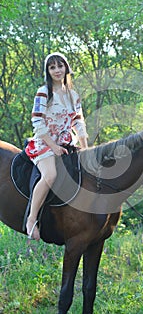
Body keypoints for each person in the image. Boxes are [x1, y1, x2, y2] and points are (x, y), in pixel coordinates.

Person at [25, 52, 88, 240]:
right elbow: (37, 121)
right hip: (44, 142)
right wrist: (52, 146)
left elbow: (78, 122)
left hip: (66, 142)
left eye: (60, 66)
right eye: (52, 67)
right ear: (48, 71)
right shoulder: (44, 92)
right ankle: (31, 219)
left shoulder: (73, 95)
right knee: (50, 175)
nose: (57, 70)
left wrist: (85, 147)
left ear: (66, 68)